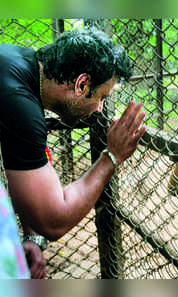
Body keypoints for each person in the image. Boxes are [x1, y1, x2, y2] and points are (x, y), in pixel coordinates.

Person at [0, 28, 146, 278]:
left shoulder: (16, 64)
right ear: (81, 84)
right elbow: (54, 219)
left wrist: (34, 238)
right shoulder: (18, 100)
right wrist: (111, 157)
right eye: (101, 97)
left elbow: (28, 181)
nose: (100, 109)